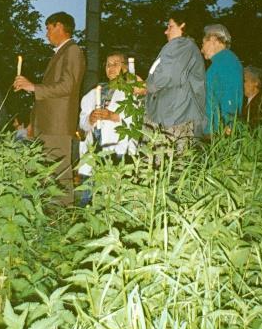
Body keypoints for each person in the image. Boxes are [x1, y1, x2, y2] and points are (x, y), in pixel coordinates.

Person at [13, 12, 85, 205]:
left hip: (57, 126)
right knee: (48, 176)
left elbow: (67, 86)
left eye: (49, 28)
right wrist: (33, 124)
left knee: (59, 176)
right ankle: (50, 220)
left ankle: (61, 220)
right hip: (47, 126)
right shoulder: (61, 53)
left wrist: (33, 87)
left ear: (60, 26)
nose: (46, 34)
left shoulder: (73, 50)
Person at [78, 53, 137, 204]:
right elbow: (82, 123)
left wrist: (113, 116)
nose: (110, 68)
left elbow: (138, 122)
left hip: (118, 153)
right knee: (89, 198)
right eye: (108, 64)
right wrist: (89, 119)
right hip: (93, 152)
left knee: (113, 199)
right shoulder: (93, 92)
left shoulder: (133, 91)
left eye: (116, 63)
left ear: (125, 67)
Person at [144, 12, 206, 149]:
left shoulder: (181, 45)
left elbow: (164, 76)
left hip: (177, 120)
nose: (166, 31)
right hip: (173, 117)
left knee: (171, 164)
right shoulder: (186, 48)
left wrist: (143, 87)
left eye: (170, 26)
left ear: (183, 26)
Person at [201, 24, 243, 134]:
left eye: (203, 43)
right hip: (213, 131)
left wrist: (228, 124)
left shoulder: (227, 62)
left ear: (213, 40)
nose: (201, 49)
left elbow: (230, 97)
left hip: (217, 133)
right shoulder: (220, 62)